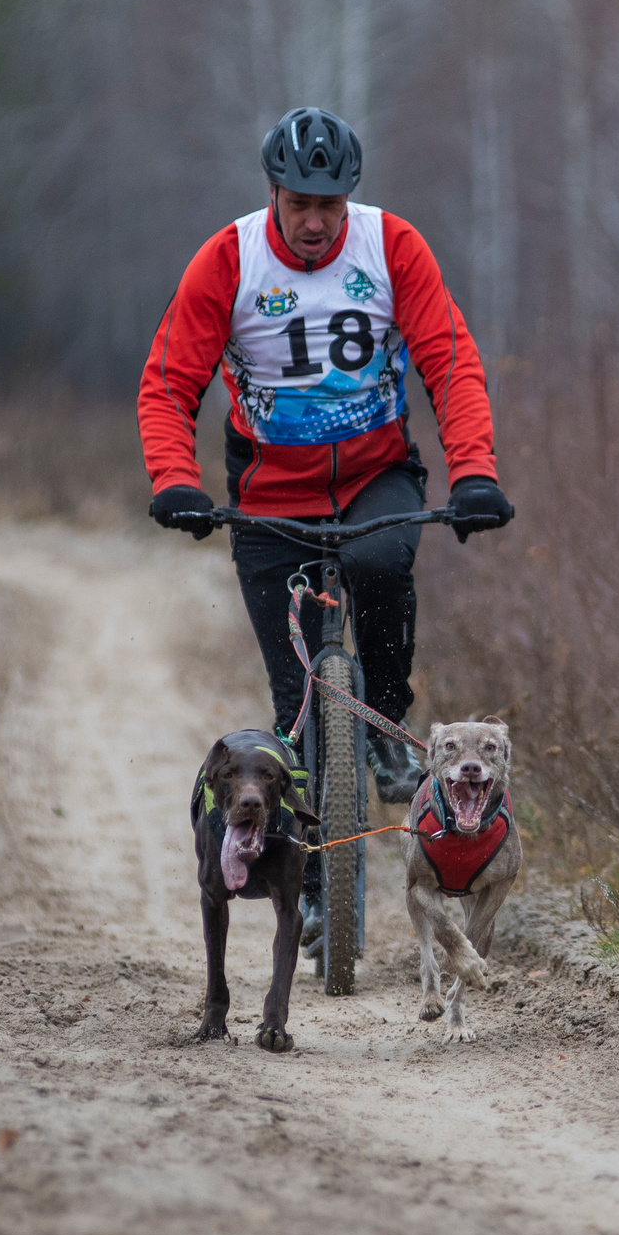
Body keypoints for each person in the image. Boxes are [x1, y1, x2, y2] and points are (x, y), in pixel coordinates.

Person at [138, 106, 514, 812]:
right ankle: (311, 884)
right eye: (300, 205)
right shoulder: (228, 259)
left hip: (378, 475)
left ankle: (385, 727)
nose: (315, 222)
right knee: (299, 706)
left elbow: (451, 363)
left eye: (330, 206)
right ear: (273, 193)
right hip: (270, 493)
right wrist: (175, 479)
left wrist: (475, 474)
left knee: (378, 566)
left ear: (352, 197)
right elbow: (167, 381)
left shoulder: (392, 246)